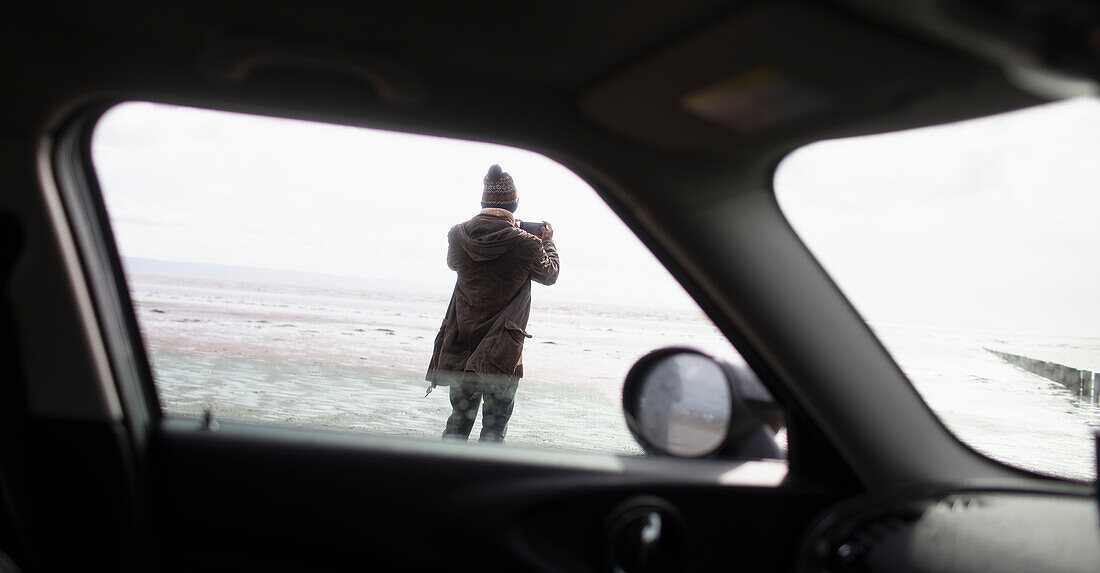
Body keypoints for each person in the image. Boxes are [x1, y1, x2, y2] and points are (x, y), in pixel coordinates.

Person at [425, 164, 559, 442]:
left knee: (458, 421)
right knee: (494, 428)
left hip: (463, 342)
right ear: (514, 204)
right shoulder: (526, 244)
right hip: (503, 351)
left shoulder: (459, 235)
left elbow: (454, 264)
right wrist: (547, 242)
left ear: (483, 202)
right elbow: (549, 274)